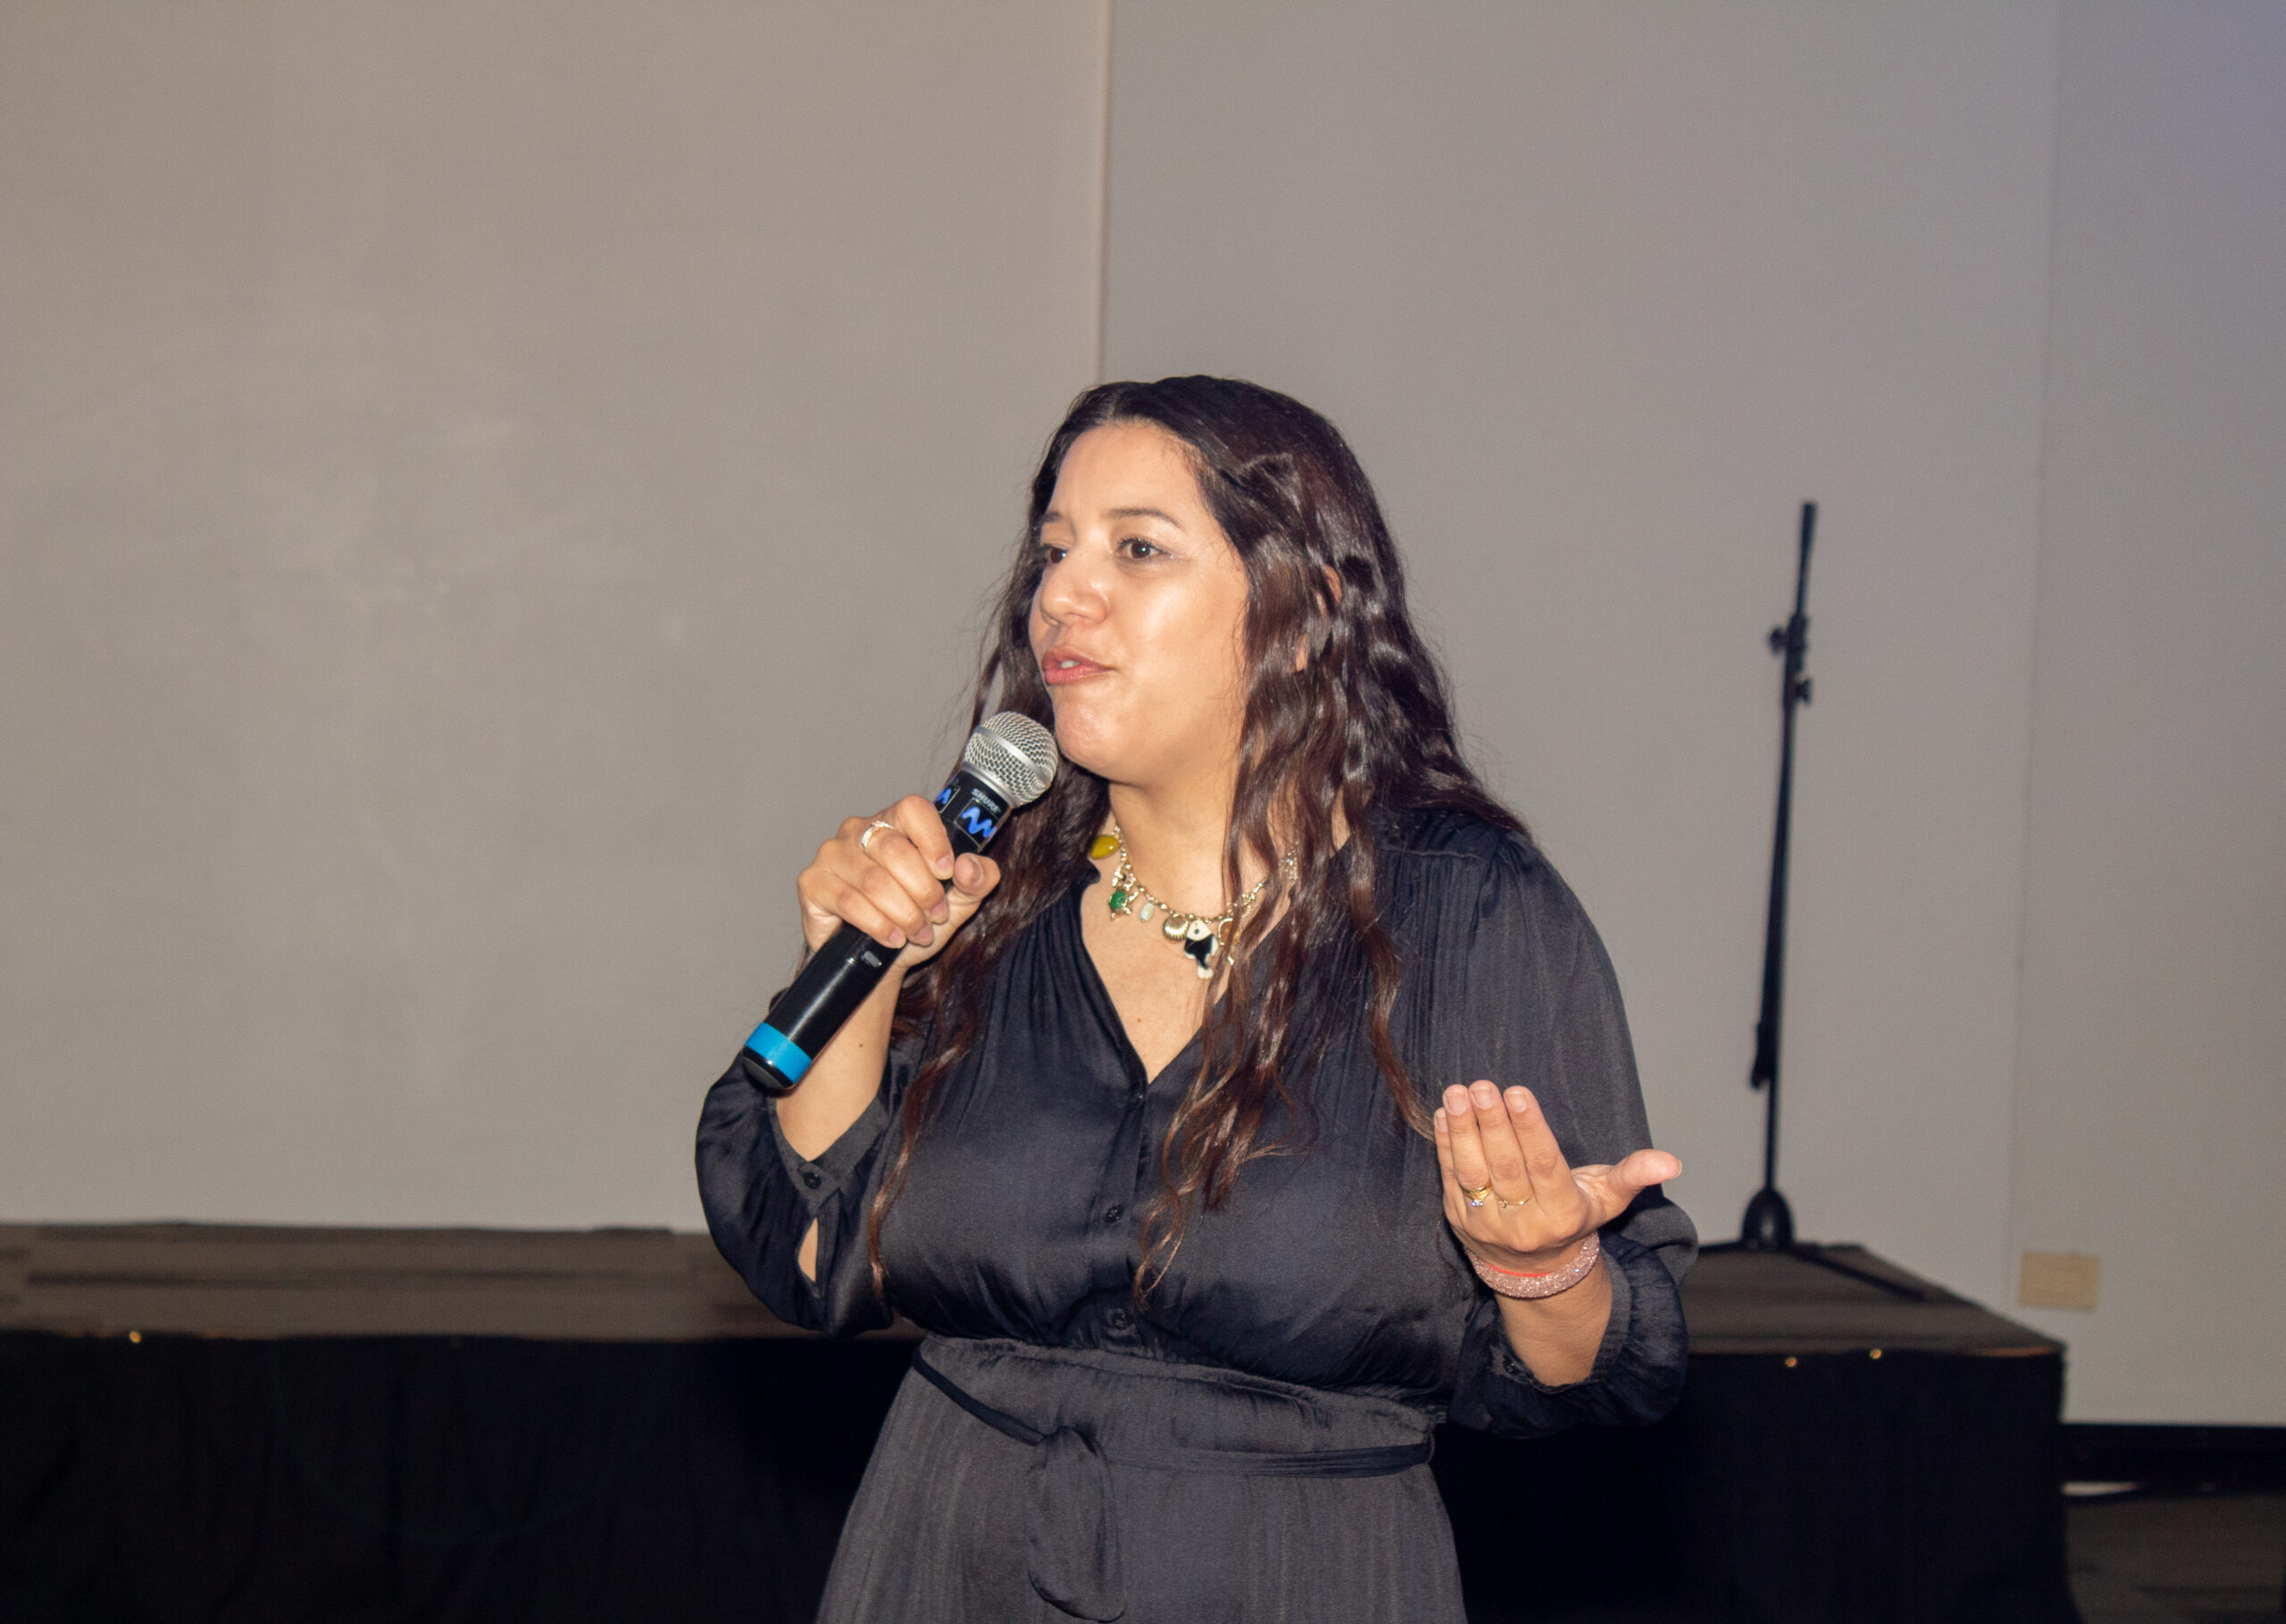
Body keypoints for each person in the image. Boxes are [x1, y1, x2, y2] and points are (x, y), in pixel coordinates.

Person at [697, 376, 1693, 1623]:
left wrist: (1539, 1265)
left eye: (1137, 549)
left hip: (1291, 1578)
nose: (1064, 595)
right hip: (947, 1565)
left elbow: (1598, 1371)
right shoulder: (988, 896)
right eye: (1053, 551)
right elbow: (813, 1259)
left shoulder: (1470, 912)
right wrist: (868, 967)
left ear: (1305, 608)